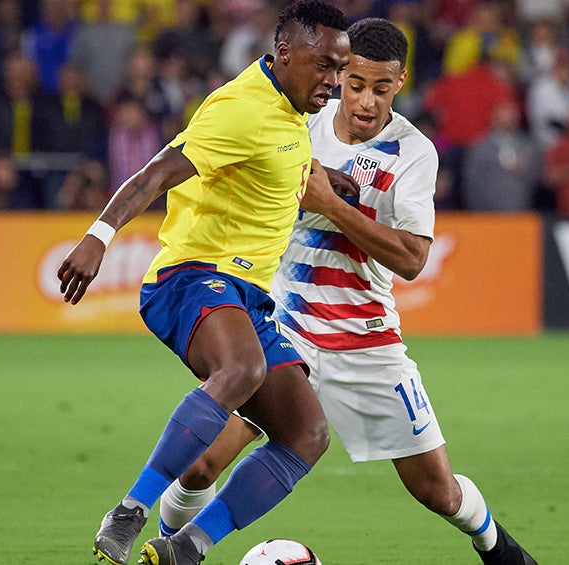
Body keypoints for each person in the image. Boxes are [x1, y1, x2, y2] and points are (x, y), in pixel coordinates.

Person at [156, 18, 539, 565]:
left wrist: (331, 205)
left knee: (438, 492)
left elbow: (412, 258)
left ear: (400, 82)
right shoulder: (297, 124)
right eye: (355, 84)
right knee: (200, 464)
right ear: (338, 74)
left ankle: (497, 546)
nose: (365, 100)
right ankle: (175, 553)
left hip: (367, 342)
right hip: (282, 329)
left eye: (380, 89)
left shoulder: (413, 152)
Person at [55, 2, 351, 565]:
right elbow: (156, 173)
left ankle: (188, 545)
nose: (333, 83)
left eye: (339, 68)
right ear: (284, 53)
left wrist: (328, 180)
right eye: (323, 66)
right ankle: (130, 511)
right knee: (241, 368)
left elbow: (278, 162)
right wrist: (99, 235)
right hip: (190, 276)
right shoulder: (241, 108)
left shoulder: (292, 109)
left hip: (248, 297)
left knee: (306, 434)